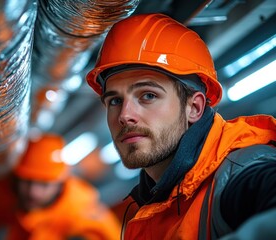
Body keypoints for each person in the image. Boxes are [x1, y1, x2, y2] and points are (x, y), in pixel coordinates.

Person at [86, 13, 276, 240]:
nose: (125, 116)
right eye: (115, 101)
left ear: (194, 108)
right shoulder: (154, 200)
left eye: (148, 95)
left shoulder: (243, 173)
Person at [0, 134, 121, 240]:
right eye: (27, 181)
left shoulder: (80, 212)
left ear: (60, 182)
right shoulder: (5, 191)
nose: (33, 191)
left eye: (44, 184)